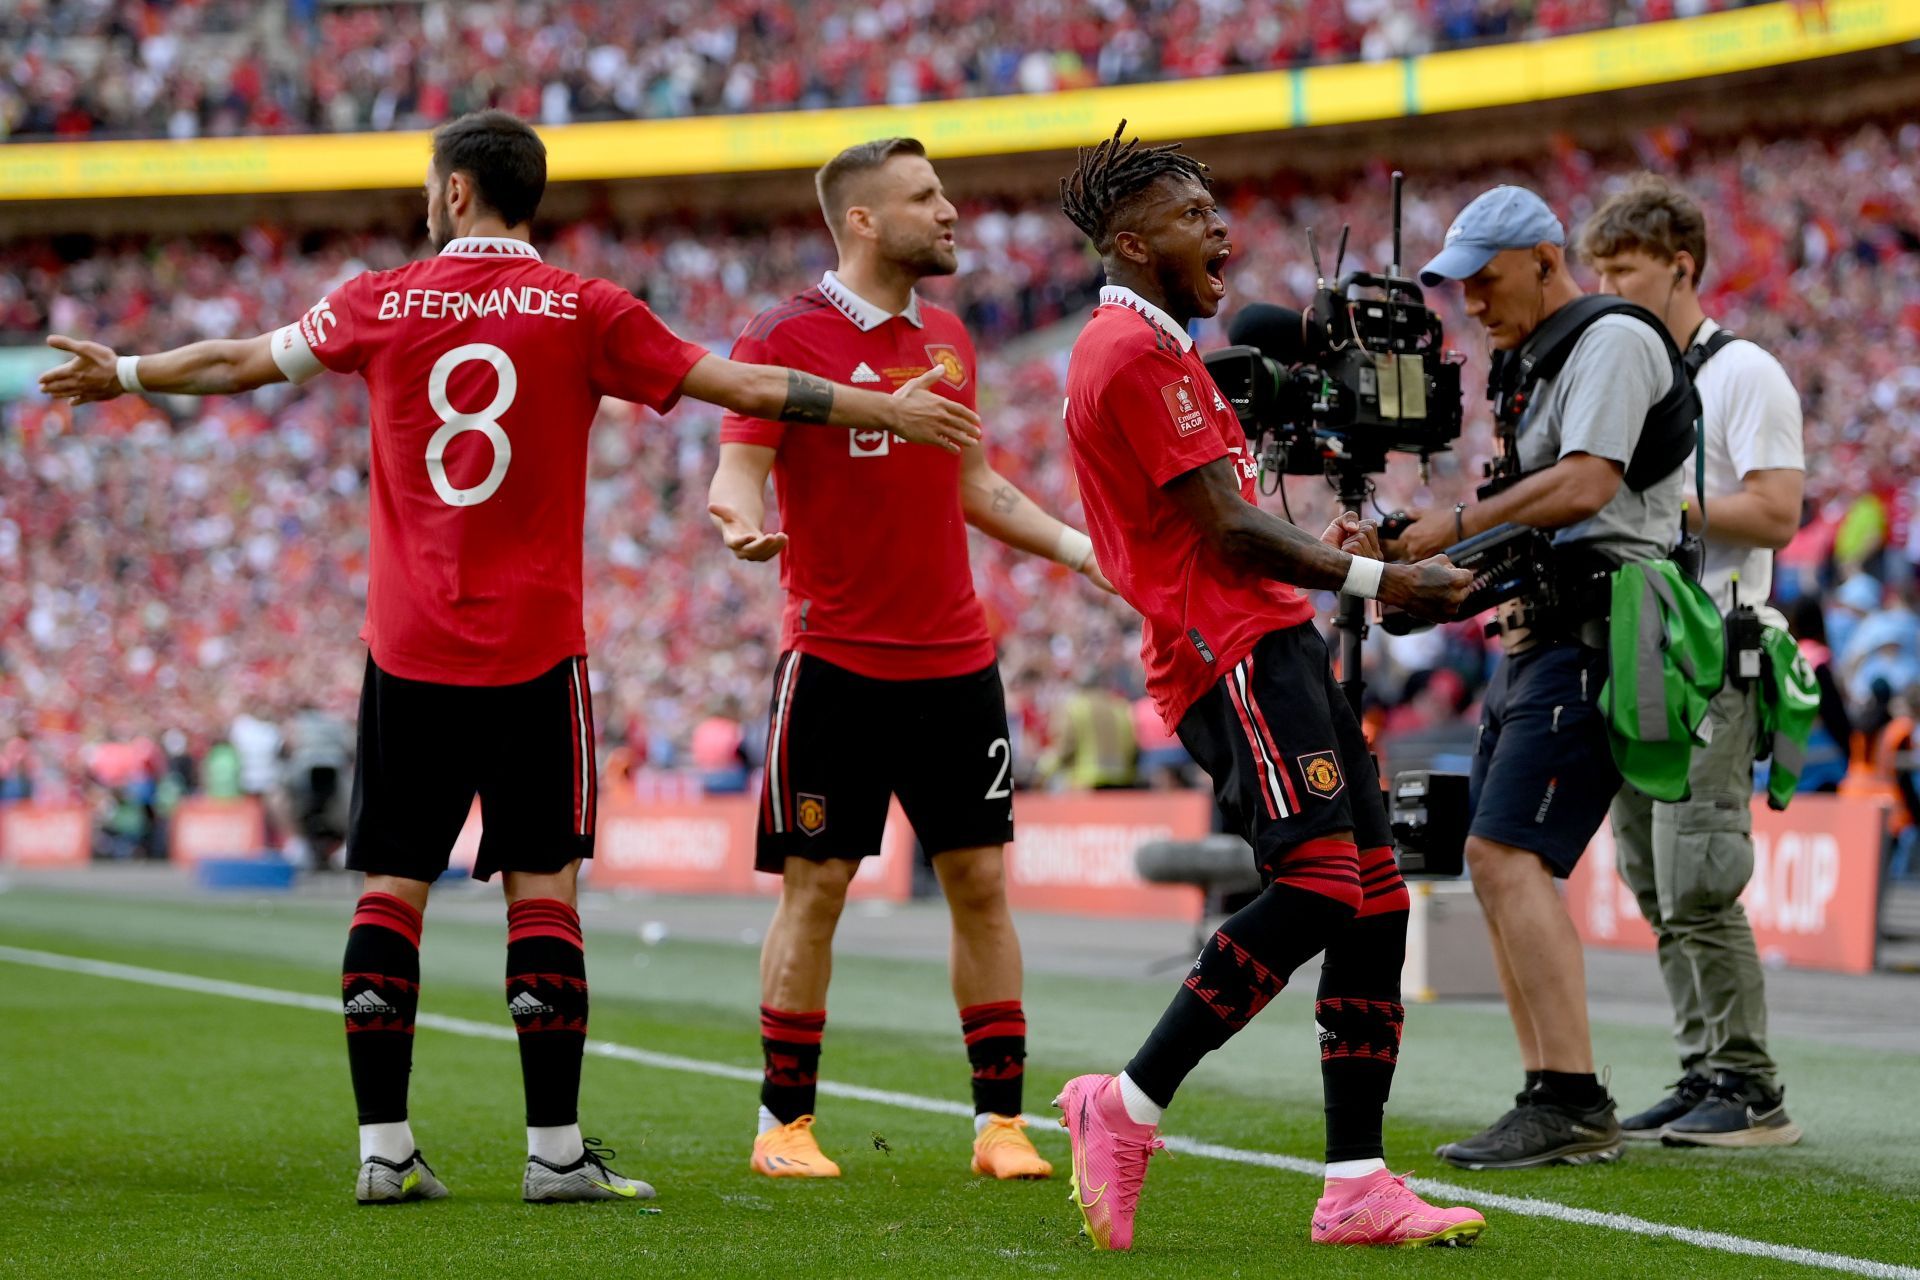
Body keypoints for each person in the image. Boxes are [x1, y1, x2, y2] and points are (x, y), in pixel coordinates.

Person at [39, 109, 981, 1207]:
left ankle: (383, 1150)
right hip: (537, 649)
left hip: (410, 644)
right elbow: (744, 386)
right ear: (529, 196)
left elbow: (243, 359)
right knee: (544, 887)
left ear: (451, 194)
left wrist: (128, 369)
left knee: (392, 886)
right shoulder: (587, 307)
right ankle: (553, 1152)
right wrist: (883, 407)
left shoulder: (377, 299)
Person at [1048, 122, 1482, 1252]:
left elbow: (1226, 516)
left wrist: (1333, 557)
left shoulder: (1160, 346)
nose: (1221, 231)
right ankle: (1126, 1102)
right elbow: (1229, 534)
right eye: (1196, 216)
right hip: (1229, 647)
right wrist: (1383, 573)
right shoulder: (1128, 354)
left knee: (1377, 891)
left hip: (1270, 636)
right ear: (1135, 242)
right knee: (1326, 884)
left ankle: (1356, 1182)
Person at [708, 136, 1108, 1183]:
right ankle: (783, 1122)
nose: (951, 211)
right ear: (863, 221)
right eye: (925, 196)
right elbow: (736, 471)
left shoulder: (950, 336)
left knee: (979, 880)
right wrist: (738, 522)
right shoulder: (781, 333)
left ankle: (1000, 1123)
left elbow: (976, 485)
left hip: (955, 661)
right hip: (834, 662)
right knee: (820, 884)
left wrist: (1080, 551)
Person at [1395, 183, 1690, 1169]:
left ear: (1544, 259)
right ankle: (1548, 1090)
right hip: (1546, 631)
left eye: (1484, 279)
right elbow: (1536, 521)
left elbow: (1586, 484)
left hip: (1603, 628)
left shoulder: (1608, 338)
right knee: (1493, 859)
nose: (1470, 301)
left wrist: (1458, 527)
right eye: (1459, 285)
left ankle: (1570, 1094)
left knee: (1510, 857)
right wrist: (1433, 582)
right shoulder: (1529, 357)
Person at [1580, 174, 1806, 1147]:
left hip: (1715, 644)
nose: (1609, 290)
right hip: (1644, 648)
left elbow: (1779, 510)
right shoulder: (1626, 370)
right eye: (1599, 273)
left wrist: (1655, 506)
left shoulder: (1743, 371)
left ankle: (1750, 1085)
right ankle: (1701, 1062)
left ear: (1680, 266)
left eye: (1623, 271)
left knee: (1701, 872)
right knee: (1653, 878)